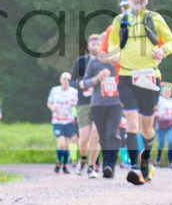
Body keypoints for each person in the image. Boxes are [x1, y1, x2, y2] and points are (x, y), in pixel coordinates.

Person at [102, 0, 172, 185]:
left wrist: (163, 51)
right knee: (132, 123)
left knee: (147, 128)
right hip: (126, 77)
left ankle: (145, 161)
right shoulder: (120, 20)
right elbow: (112, 43)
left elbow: (171, 41)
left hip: (150, 77)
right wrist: (113, 55)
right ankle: (134, 168)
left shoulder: (155, 18)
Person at [81, 51, 123, 179]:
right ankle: (106, 165)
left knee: (112, 134)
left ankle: (108, 166)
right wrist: (97, 78)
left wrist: (120, 64)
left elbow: (130, 76)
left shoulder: (120, 59)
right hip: (98, 104)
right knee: (103, 137)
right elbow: (83, 83)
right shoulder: (94, 62)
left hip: (116, 103)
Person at [69, 34, 102, 175]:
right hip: (83, 103)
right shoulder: (80, 61)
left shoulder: (104, 62)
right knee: (84, 138)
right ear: (88, 46)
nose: (95, 46)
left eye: (98, 44)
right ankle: (83, 158)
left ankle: (92, 166)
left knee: (96, 135)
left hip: (100, 103)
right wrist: (81, 85)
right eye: (93, 44)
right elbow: (71, 81)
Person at [47, 73, 78, 173]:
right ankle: (58, 161)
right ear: (60, 80)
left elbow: (79, 104)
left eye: (68, 79)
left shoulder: (74, 92)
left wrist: (75, 105)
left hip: (69, 121)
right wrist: (52, 107)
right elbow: (49, 102)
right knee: (61, 144)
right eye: (64, 79)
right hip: (58, 120)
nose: (66, 81)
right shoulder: (54, 90)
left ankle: (64, 165)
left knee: (68, 145)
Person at [153, 83, 172, 168]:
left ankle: (170, 162)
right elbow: (154, 111)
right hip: (160, 125)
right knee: (161, 143)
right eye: (165, 91)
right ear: (162, 92)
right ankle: (158, 157)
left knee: (170, 142)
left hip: (170, 124)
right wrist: (160, 114)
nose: (166, 92)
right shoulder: (159, 100)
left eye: (168, 91)